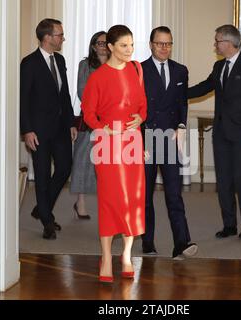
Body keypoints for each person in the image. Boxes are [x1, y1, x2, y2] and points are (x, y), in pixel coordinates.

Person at [81, 25, 147, 282]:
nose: (129, 50)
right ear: (110, 47)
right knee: (110, 199)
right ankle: (106, 256)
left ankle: (127, 255)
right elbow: (88, 112)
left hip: (132, 141)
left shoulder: (136, 69)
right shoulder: (97, 77)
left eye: (131, 45)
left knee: (132, 200)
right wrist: (101, 128)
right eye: (123, 46)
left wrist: (141, 117)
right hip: (107, 143)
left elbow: (143, 104)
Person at [188, 25, 241, 240]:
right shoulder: (219, 66)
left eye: (217, 40)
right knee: (223, 180)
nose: (215, 44)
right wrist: (178, 93)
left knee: (240, 178)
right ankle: (229, 224)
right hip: (220, 133)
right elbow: (205, 87)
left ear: (229, 43)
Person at [141, 26, 198, 260]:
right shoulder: (138, 70)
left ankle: (181, 243)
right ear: (151, 44)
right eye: (160, 43)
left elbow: (182, 103)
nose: (164, 48)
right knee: (145, 195)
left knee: (174, 193)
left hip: (169, 140)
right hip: (145, 140)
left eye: (168, 43)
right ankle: (147, 243)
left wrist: (182, 127)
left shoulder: (180, 71)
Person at [20, 19, 77, 240]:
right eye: (60, 35)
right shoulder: (29, 63)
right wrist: (27, 130)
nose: (63, 38)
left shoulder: (60, 60)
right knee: (42, 175)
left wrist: (71, 122)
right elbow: (23, 100)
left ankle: (41, 209)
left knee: (64, 168)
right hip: (39, 131)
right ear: (47, 37)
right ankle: (47, 221)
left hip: (61, 128)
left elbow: (65, 94)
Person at [70, 31, 108, 219]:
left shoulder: (116, 65)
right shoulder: (85, 65)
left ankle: (107, 204)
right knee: (83, 162)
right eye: (99, 42)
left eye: (105, 42)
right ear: (93, 46)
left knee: (106, 166)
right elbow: (82, 91)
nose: (102, 45)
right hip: (90, 119)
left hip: (110, 122)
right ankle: (80, 203)